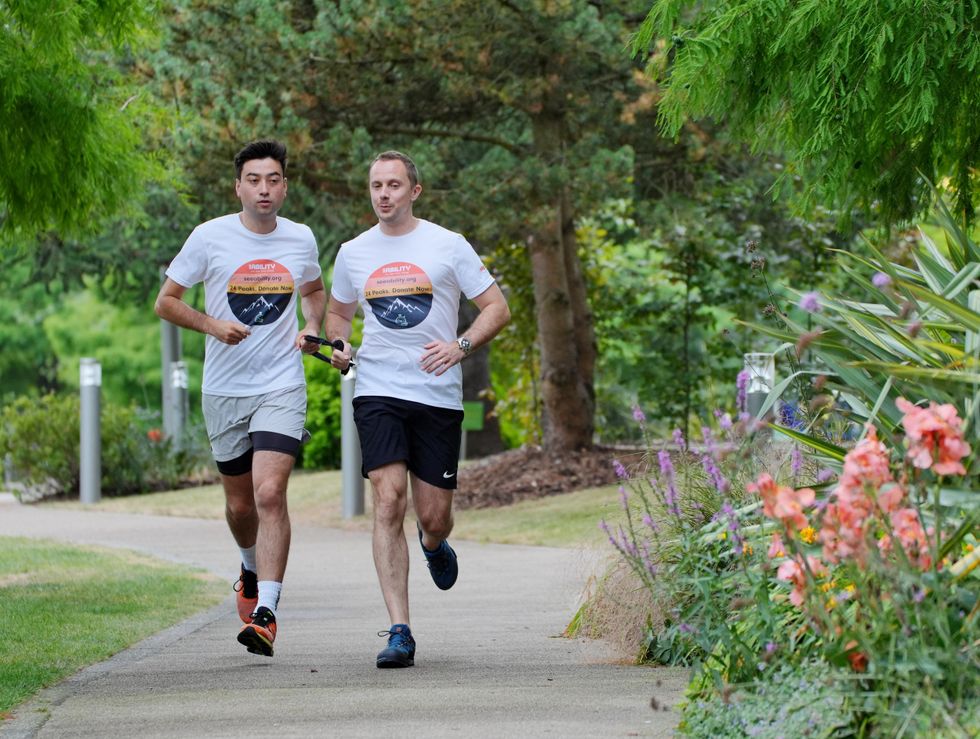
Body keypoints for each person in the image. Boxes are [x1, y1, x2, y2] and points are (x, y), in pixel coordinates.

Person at [326, 150, 511, 668]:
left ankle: (434, 545)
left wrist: (461, 346)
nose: (383, 194)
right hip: (378, 389)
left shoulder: (448, 246)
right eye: (375, 186)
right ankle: (400, 630)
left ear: (414, 191)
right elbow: (339, 313)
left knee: (434, 516)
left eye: (393, 185)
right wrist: (338, 344)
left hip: (436, 394)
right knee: (387, 501)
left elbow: (497, 307)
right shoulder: (353, 252)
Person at [154, 139, 325, 658]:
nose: (264, 189)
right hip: (224, 390)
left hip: (281, 384)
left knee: (270, 492)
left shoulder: (300, 239)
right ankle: (249, 571)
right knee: (239, 504)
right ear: (239, 187)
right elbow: (166, 302)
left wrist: (312, 327)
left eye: (273, 179)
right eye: (254, 180)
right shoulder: (209, 237)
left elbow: (315, 292)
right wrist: (212, 326)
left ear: (285, 186)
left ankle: (267, 613)